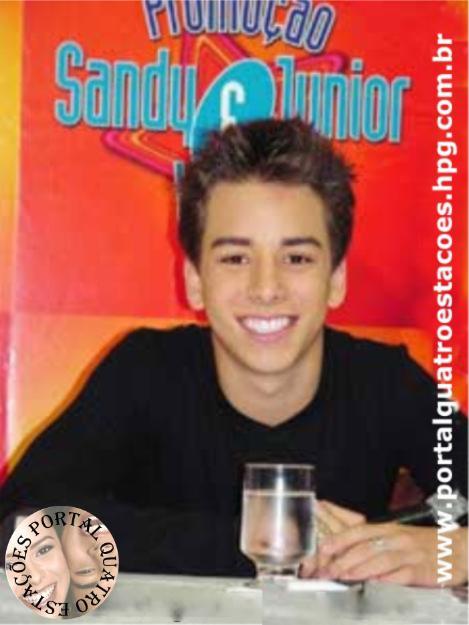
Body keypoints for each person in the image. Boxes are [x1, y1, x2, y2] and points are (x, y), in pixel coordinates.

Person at [0, 118, 467, 586]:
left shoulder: (386, 383)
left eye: (297, 258)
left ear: (337, 279)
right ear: (194, 280)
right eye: (235, 258)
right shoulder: (144, 372)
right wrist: (263, 543)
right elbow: (18, 528)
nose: (266, 288)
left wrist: (451, 553)